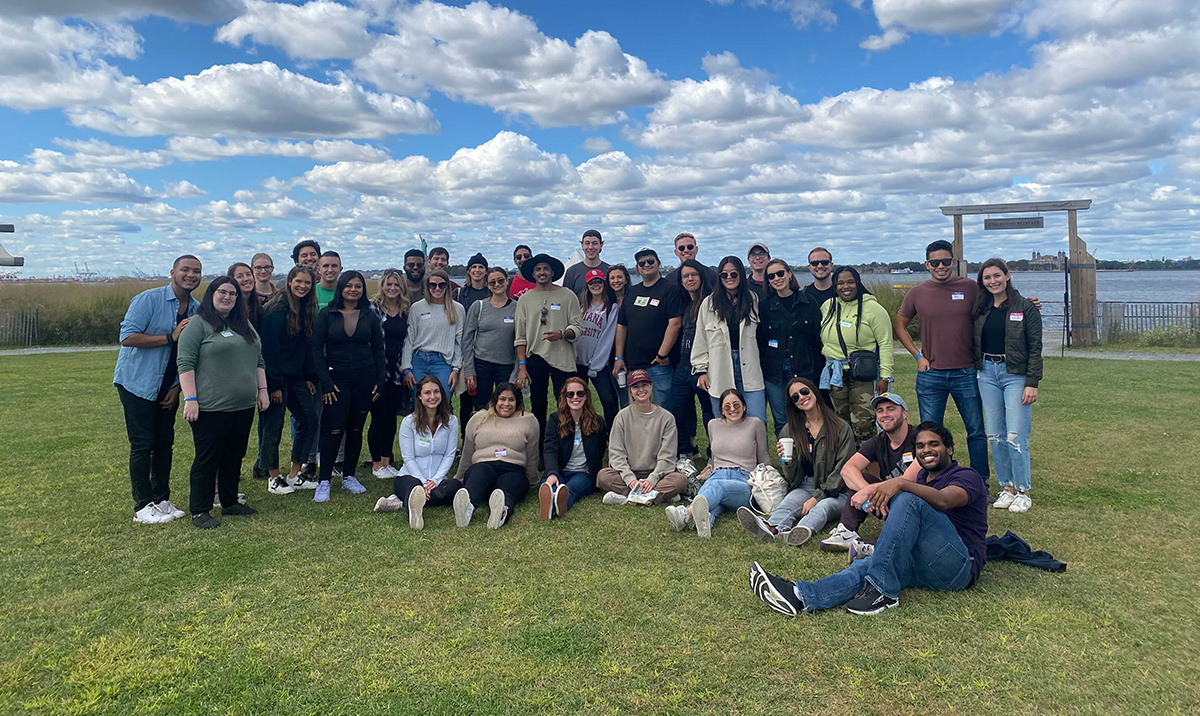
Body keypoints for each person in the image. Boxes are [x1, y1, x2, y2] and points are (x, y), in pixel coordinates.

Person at [750, 422, 987, 617]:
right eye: (921, 446)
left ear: (950, 449)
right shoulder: (922, 479)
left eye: (934, 444)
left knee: (907, 498)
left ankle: (882, 591)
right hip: (922, 563)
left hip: (959, 566)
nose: (926, 450)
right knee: (869, 566)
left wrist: (901, 483)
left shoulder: (966, 476)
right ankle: (800, 596)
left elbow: (944, 500)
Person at [113, 254, 201, 524]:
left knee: (165, 444)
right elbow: (127, 337)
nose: (190, 275)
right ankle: (143, 506)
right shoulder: (148, 300)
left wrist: (177, 388)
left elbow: (188, 354)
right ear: (172, 272)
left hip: (168, 387)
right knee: (142, 444)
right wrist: (169, 336)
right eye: (185, 269)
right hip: (137, 382)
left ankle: (162, 499)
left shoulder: (197, 310)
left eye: (196, 271)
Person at [177, 277, 269, 529]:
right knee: (208, 458)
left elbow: (258, 359)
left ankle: (229, 502)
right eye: (222, 292)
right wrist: (191, 399)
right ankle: (200, 509)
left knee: (234, 455)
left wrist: (263, 390)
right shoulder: (198, 325)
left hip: (242, 405)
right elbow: (185, 364)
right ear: (211, 294)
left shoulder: (243, 325)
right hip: (210, 407)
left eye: (232, 294)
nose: (227, 297)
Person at [895, 240, 990, 481]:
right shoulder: (917, 293)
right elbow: (900, 325)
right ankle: (931, 480)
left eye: (945, 262)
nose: (941, 266)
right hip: (931, 374)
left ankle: (980, 483)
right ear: (927, 264)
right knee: (928, 435)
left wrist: (1028, 305)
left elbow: (1000, 303)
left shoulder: (970, 287)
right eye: (935, 262)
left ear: (954, 262)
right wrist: (918, 356)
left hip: (966, 372)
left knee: (976, 431)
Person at [738, 377, 855, 546]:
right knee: (789, 503)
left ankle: (799, 532)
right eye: (795, 397)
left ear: (814, 391)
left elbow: (843, 470)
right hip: (806, 484)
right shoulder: (790, 430)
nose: (801, 397)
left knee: (823, 507)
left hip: (837, 490)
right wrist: (788, 462)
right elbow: (793, 478)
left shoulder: (841, 427)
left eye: (804, 391)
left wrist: (817, 497)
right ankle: (772, 528)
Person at [972, 258, 1042, 513]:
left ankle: (1023, 491)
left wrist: (1032, 383)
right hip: (987, 373)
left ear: (1007, 276)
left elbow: (1035, 347)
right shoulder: (979, 308)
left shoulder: (1025, 307)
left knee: (1015, 435)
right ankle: (1007, 488)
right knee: (995, 435)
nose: (993, 281)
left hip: (1016, 375)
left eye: (996, 275)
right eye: (987, 277)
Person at [311, 270, 385, 503]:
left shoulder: (368, 315)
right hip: (336, 382)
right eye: (349, 286)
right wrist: (326, 383)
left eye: (358, 286)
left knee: (355, 429)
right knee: (333, 430)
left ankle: (349, 476)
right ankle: (324, 481)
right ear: (341, 288)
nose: (353, 290)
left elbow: (378, 350)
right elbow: (316, 350)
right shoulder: (326, 315)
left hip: (365, 379)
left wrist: (380, 380)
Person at [819, 393, 919, 552]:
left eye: (891, 409)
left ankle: (875, 547)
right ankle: (847, 531)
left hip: (917, 502)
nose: (885, 414)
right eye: (880, 410)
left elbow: (909, 479)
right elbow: (848, 470)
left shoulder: (919, 438)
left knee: (904, 497)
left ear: (905, 413)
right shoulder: (878, 442)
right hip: (886, 502)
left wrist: (869, 491)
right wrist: (867, 490)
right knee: (862, 478)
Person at [666, 388, 769, 538]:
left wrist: (770, 480)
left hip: (744, 480)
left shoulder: (755, 424)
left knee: (715, 488)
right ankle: (705, 520)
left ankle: (686, 513)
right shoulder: (713, 425)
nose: (732, 409)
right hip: (717, 474)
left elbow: (763, 457)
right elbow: (716, 456)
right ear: (721, 409)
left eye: (736, 405)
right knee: (713, 496)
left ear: (744, 406)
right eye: (727, 406)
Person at [258, 265, 321, 495]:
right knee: (273, 426)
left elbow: (304, 345)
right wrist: (273, 386)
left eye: (307, 282)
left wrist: (309, 376)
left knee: (309, 418)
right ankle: (273, 477)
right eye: (299, 281)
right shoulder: (276, 309)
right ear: (290, 281)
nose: (303, 286)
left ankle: (295, 475)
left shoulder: (305, 307)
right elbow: (270, 350)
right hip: (275, 377)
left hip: (296, 376)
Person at [514, 253, 582, 457]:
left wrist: (563, 333)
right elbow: (520, 336)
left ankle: (568, 447)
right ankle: (540, 450)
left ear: (552, 272)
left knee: (567, 403)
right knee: (538, 406)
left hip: (563, 358)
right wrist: (522, 367)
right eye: (538, 269)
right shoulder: (525, 299)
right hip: (536, 359)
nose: (542, 272)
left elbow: (578, 327)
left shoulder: (568, 295)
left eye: (545, 269)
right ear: (533, 274)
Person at [373, 375, 460, 530]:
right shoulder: (409, 422)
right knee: (414, 487)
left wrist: (436, 480)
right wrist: (423, 482)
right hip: (410, 477)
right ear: (419, 396)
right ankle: (413, 505)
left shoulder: (451, 421)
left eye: (436, 392)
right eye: (427, 393)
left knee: (454, 486)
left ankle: (401, 502)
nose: (432, 397)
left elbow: (449, 455)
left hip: (437, 480)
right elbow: (408, 457)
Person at [820, 266, 894, 444]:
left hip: (863, 375)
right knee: (841, 424)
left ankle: (871, 467)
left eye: (851, 282)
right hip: (836, 375)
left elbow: (885, 343)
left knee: (863, 425)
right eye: (841, 283)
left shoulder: (873, 309)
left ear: (858, 283)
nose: (846, 286)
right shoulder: (828, 306)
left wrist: (885, 376)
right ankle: (846, 467)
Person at [691, 255, 767, 425]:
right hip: (720, 369)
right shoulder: (708, 304)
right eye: (724, 275)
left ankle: (757, 452)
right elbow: (701, 339)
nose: (729, 278)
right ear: (719, 278)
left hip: (749, 368)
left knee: (757, 421)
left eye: (734, 274)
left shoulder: (752, 299)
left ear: (741, 274)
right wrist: (701, 370)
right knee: (723, 422)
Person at [452, 383, 540, 529]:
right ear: (494, 401)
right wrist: (459, 478)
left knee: (506, 490)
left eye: (511, 400)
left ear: (517, 401)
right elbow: (468, 451)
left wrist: (533, 481)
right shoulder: (479, 418)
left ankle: (501, 512)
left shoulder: (529, 420)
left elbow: (532, 454)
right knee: (480, 473)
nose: (506, 404)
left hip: (513, 469)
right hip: (483, 466)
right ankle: (467, 508)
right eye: (502, 399)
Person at [596, 369, 687, 505]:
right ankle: (657, 496)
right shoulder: (622, 416)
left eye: (644, 385)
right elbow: (616, 454)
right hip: (628, 474)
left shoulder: (666, 418)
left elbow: (667, 456)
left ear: (651, 387)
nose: (641, 390)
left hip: (658, 474)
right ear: (630, 391)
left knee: (680, 480)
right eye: (635, 386)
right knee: (603, 476)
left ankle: (627, 498)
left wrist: (653, 478)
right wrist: (630, 480)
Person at [758, 258, 824, 438]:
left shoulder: (808, 302)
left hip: (803, 367)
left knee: (807, 414)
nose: (776, 278)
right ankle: (788, 460)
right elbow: (761, 340)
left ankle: (809, 455)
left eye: (780, 273)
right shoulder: (764, 307)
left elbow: (816, 338)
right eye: (771, 276)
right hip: (774, 371)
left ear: (789, 274)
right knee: (781, 419)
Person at [613, 247, 681, 409]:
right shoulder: (632, 291)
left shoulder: (670, 289)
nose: (646, 265)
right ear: (637, 268)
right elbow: (622, 325)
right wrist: (619, 358)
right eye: (641, 263)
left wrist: (662, 354)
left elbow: (675, 323)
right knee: (635, 410)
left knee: (662, 410)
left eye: (650, 261)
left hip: (658, 366)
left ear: (658, 263)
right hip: (633, 364)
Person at [540, 377, 607, 520]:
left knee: (569, 490)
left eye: (580, 393)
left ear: (586, 396)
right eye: (570, 394)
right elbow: (549, 449)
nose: (575, 397)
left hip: (583, 473)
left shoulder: (597, 421)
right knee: (550, 485)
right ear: (565, 397)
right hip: (559, 470)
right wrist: (552, 473)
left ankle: (554, 507)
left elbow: (601, 448)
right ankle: (551, 503)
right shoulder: (554, 420)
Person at [367, 268, 412, 479]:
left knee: (390, 419)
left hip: (397, 371)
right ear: (382, 286)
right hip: (378, 370)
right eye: (389, 284)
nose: (392, 288)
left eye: (396, 285)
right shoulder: (372, 308)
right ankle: (376, 463)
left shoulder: (405, 310)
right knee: (377, 417)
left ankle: (386, 460)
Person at [672, 259, 715, 461]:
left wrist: (704, 368)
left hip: (704, 368)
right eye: (685, 276)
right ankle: (685, 453)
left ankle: (714, 454)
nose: (690, 279)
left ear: (701, 276)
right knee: (677, 411)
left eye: (694, 275)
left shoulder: (712, 302)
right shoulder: (685, 303)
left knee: (710, 413)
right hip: (682, 366)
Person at [401, 269, 464, 404]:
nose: (437, 288)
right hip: (418, 360)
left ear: (447, 286)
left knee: (442, 403)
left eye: (441, 285)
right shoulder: (417, 308)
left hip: (443, 362)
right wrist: (406, 367)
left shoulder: (457, 309)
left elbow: (459, 341)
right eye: (433, 285)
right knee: (420, 405)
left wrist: (456, 369)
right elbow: (409, 339)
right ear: (427, 286)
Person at [462, 266, 518, 412]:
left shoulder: (517, 308)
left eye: (500, 280)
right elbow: (467, 340)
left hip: (507, 365)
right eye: (492, 282)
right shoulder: (478, 307)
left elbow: (521, 341)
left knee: (506, 407)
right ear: (487, 284)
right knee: (481, 408)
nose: (497, 285)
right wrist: (469, 370)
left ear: (507, 281)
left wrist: (517, 371)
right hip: (481, 364)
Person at [575, 268, 621, 429]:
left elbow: (607, 339)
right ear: (587, 286)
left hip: (598, 364)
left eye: (599, 281)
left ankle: (614, 433)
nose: (596, 285)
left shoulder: (611, 308)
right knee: (577, 400)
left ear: (604, 283)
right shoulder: (580, 306)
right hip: (578, 363)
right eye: (592, 282)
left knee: (608, 400)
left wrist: (596, 365)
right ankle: (581, 431)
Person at [562, 229, 610, 296]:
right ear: (582, 245)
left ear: (601, 245)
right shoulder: (572, 272)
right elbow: (566, 298)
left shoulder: (609, 271)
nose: (590, 247)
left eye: (595, 243)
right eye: (587, 243)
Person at [228, 262, 263, 329]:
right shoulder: (228, 309)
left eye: (248, 274)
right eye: (240, 276)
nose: (246, 279)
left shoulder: (259, 308)